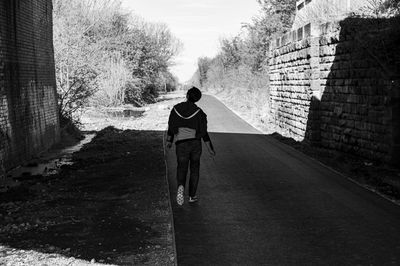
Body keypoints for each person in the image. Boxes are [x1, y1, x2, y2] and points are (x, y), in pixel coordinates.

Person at [166, 87, 216, 205]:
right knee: (194, 169)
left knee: (181, 168)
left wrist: (169, 140)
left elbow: (171, 126)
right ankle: (192, 196)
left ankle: (180, 187)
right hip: (195, 145)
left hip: (181, 144)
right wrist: (210, 149)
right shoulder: (200, 113)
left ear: (187, 95)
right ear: (198, 99)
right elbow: (203, 132)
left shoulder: (176, 109)